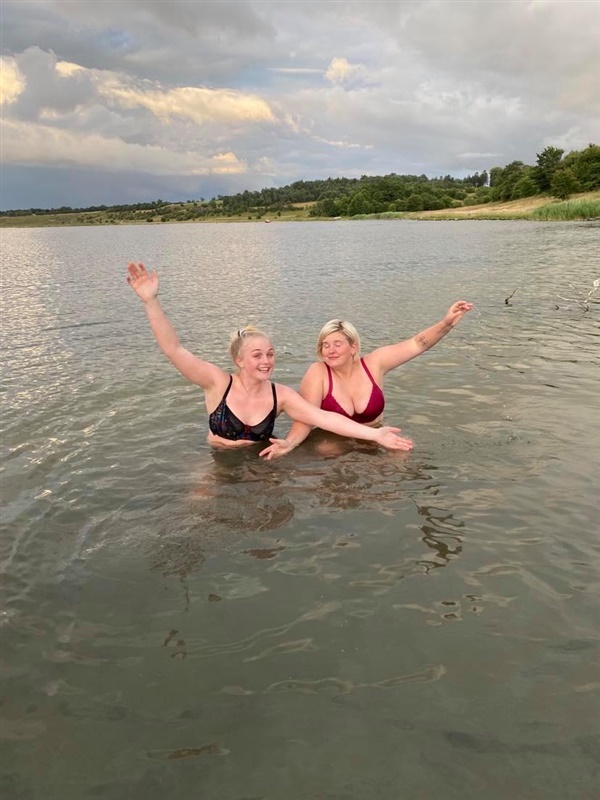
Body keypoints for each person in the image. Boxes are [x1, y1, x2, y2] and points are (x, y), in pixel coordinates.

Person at [126, 262, 414, 453]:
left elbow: (323, 417)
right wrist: (151, 301)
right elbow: (174, 350)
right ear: (239, 360)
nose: (266, 361)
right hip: (219, 458)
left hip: (260, 459)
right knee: (200, 508)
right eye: (257, 355)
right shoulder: (217, 383)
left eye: (270, 354)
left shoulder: (282, 395)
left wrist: (376, 435)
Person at [260, 300, 473, 460]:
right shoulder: (318, 373)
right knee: (327, 450)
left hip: (376, 432)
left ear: (353, 347)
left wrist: (446, 323)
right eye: (325, 345)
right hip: (335, 439)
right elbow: (306, 418)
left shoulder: (374, 363)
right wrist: (289, 443)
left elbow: (418, 344)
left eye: (337, 344)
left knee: (403, 453)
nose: (330, 350)